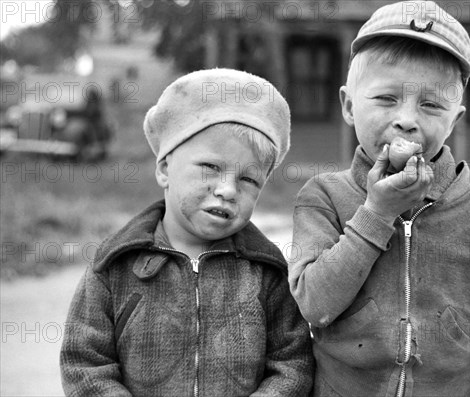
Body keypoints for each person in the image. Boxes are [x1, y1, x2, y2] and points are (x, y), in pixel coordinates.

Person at [289, 1, 470, 396]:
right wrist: (377, 213)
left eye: (430, 105)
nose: (407, 119)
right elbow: (315, 304)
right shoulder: (322, 198)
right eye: (386, 99)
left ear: (455, 120)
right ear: (348, 105)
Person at [60, 68, 314, 396]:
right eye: (211, 167)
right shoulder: (114, 265)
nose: (227, 190)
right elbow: (84, 363)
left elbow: (292, 362)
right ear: (165, 168)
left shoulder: (266, 271)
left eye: (249, 180)